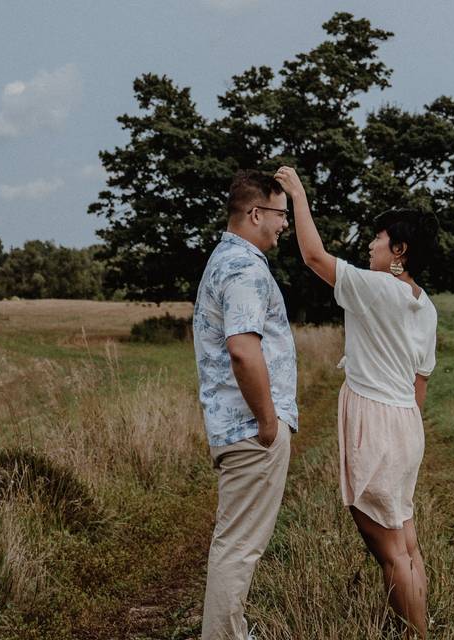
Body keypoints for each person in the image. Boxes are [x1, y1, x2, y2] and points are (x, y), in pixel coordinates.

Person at [274, 166, 438, 638]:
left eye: (378, 237)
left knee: (389, 552)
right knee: (406, 543)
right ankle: (413, 629)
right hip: (406, 425)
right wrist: (405, 437)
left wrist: (298, 196)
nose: (370, 245)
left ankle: (414, 635)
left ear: (399, 251)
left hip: (377, 422)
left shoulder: (378, 286)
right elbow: (419, 385)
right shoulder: (425, 305)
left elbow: (311, 255)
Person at [192, 169, 298, 640]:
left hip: (237, 426)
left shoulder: (226, 260)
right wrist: (268, 421)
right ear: (256, 214)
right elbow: (242, 348)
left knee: (236, 544)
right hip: (250, 430)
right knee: (238, 548)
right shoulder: (243, 268)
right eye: (280, 215)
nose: (283, 226)